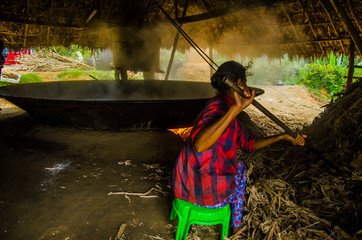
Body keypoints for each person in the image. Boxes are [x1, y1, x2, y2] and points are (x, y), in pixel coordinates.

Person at [171, 61, 306, 235]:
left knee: (239, 167)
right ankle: (235, 226)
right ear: (240, 84)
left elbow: (248, 144)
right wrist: (236, 108)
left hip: (186, 184)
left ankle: (234, 224)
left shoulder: (227, 108)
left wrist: (282, 136)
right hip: (197, 191)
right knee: (240, 171)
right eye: (245, 82)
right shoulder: (219, 107)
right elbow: (200, 145)